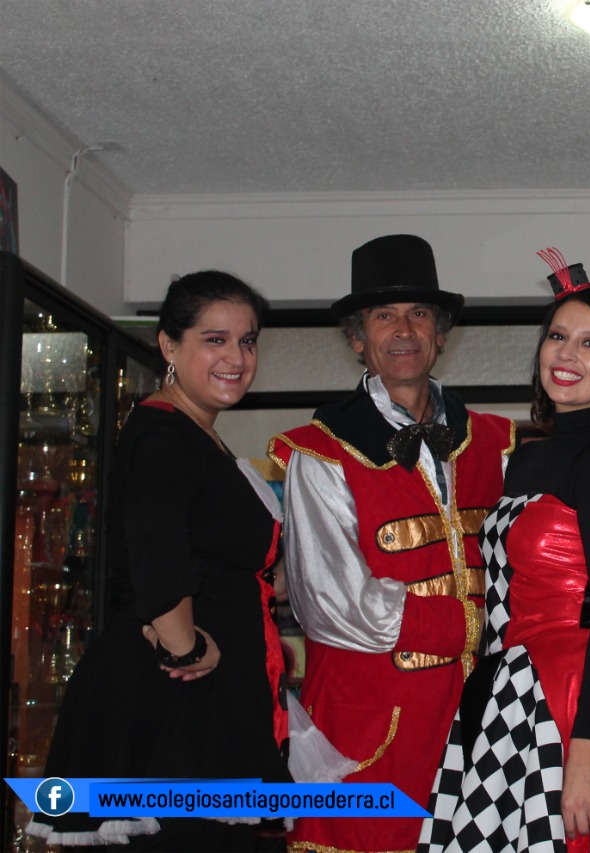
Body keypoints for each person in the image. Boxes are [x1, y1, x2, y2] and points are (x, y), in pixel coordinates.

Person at [422, 251, 590, 853]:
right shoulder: (528, 457)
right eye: (558, 336)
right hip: (511, 683)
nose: (567, 355)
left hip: (576, 696)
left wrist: (588, 751)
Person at [28, 271, 289, 850]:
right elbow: (155, 547)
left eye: (247, 341)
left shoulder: (195, 436)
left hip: (205, 698)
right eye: (215, 339)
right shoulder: (166, 436)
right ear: (169, 345)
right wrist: (184, 648)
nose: (236, 357)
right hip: (176, 700)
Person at [270, 235, 514, 853]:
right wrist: (469, 623)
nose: (404, 330)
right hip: (366, 735)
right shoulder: (318, 451)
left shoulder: (495, 442)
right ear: (358, 338)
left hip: (480, 728)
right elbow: (332, 604)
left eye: (419, 314)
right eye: (385, 316)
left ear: (440, 334)